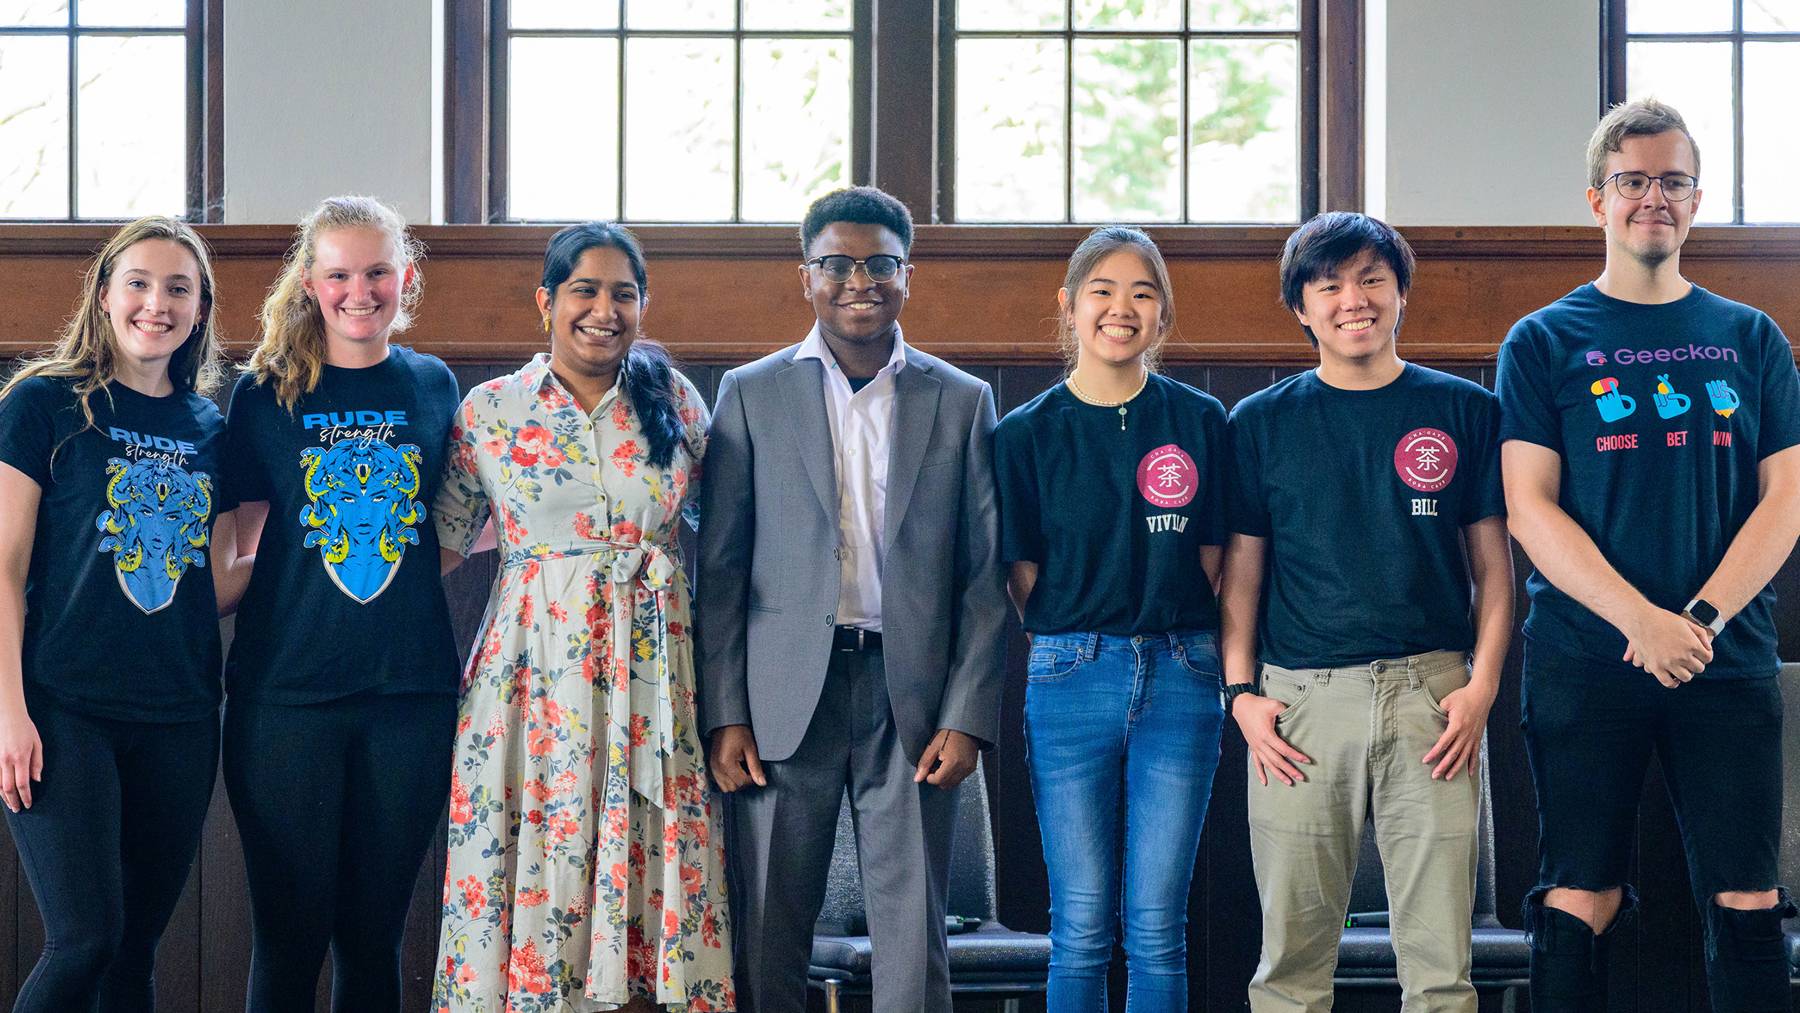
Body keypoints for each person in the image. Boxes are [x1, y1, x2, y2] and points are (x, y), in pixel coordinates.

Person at [1496, 99, 1800, 1012]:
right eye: (1633, 181)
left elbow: (1786, 500)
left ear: (1696, 200)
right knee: (1576, 894)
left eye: (1672, 181)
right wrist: (1639, 620)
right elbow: (1528, 507)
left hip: (1728, 658)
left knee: (1747, 898)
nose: (1652, 198)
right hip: (1587, 659)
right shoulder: (1544, 340)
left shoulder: (1751, 338)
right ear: (1598, 199)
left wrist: (1695, 622)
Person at [696, 185, 1007, 1012]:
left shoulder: (962, 399)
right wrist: (725, 710)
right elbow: (720, 569)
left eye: (880, 263)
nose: (858, 280)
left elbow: (982, 576)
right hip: (780, 700)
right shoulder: (750, 393)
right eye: (837, 263)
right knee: (769, 928)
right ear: (807, 275)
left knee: (914, 937)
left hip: (912, 699)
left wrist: (968, 713)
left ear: (909, 274)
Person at [431, 222, 733, 1011]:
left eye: (623, 293)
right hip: (532, 681)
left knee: (648, 872)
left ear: (643, 304)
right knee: (538, 859)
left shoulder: (675, 402)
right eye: (585, 290)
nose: (604, 309)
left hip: (654, 682)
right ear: (546, 301)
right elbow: (441, 545)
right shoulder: (490, 410)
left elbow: (733, 540)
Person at [1221, 212, 1513, 1011]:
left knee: (1440, 964)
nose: (1354, 299)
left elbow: (1494, 568)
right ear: (1302, 307)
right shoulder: (1260, 423)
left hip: (1433, 697)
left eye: (1372, 279)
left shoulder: (1464, 410)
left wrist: (1481, 684)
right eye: (1330, 284)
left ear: (1400, 293)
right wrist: (1241, 696)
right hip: (1298, 706)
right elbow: (1241, 580)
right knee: (1290, 962)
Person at [218, 195, 462, 1011]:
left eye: (378, 272)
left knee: (374, 938)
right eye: (340, 275)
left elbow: (451, 526)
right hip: (286, 699)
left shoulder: (434, 384)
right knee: (289, 938)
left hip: (411, 696)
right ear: (311, 284)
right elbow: (242, 546)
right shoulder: (264, 393)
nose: (361, 291)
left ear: (406, 277)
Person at [0, 217, 234, 1011]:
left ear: (200, 309)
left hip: (180, 716)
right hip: (65, 711)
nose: (155, 303)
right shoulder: (44, 404)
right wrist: (8, 712)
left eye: (178, 288)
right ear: (104, 294)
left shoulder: (211, 427)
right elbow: (4, 565)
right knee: (84, 939)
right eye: (138, 282)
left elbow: (216, 576)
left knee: (132, 953)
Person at [992, 225, 1227, 1012]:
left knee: (1159, 924)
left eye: (1143, 292)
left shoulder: (1199, 422)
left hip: (1185, 672)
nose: (1121, 309)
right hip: (1069, 671)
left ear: (1163, 314)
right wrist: (1077, 636)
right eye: (1103, 290)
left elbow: (1220, 557)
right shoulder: (1023, 434)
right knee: (1082, 924)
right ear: (1068, 306)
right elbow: (1020, 572)